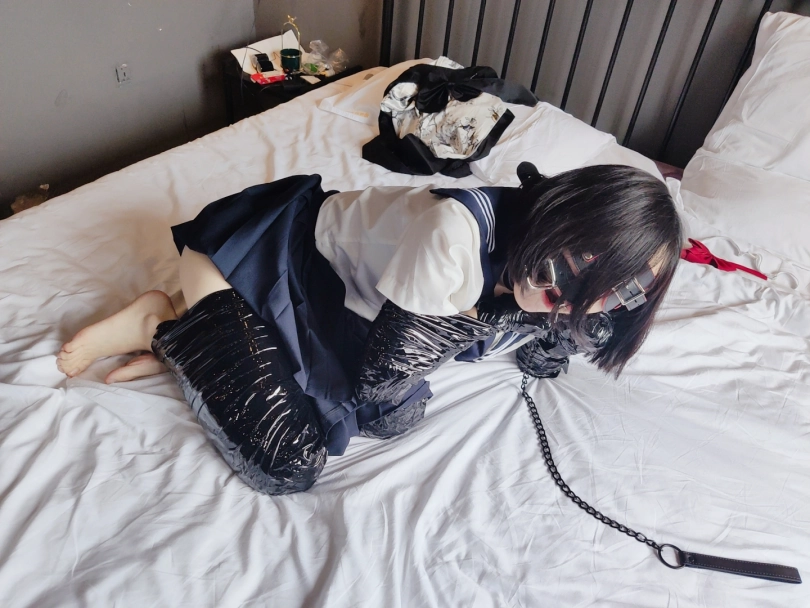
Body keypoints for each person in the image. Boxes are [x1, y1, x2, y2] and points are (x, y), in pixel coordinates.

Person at [56, 163, 682, 496]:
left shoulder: (571, 299)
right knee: (287, 461)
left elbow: (554, 341)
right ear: (562, 213)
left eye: (616, 292)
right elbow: (382, 390)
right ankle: (162, 323)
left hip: (347, 312)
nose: (562, 299)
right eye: (570, 267)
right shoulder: (456, 236)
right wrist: (511, 319)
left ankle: (192, 330)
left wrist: (573, 326)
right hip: (268, 261)